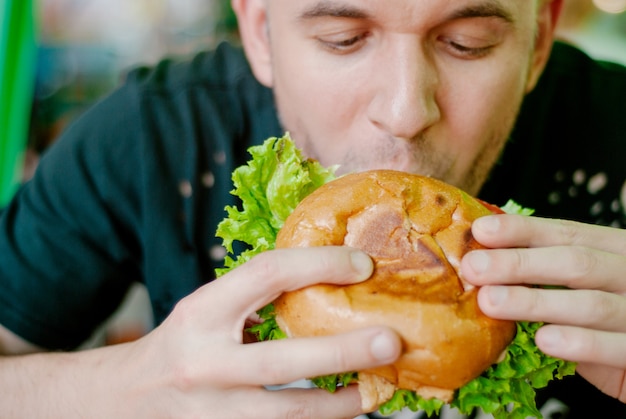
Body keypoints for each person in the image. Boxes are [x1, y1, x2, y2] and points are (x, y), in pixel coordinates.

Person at [0, 0, 625, 417]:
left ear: (540, 37)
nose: (406, 112)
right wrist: (126, 384)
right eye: (343, 39)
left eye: (467, 43)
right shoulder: (153, 134)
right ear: (260, 30)